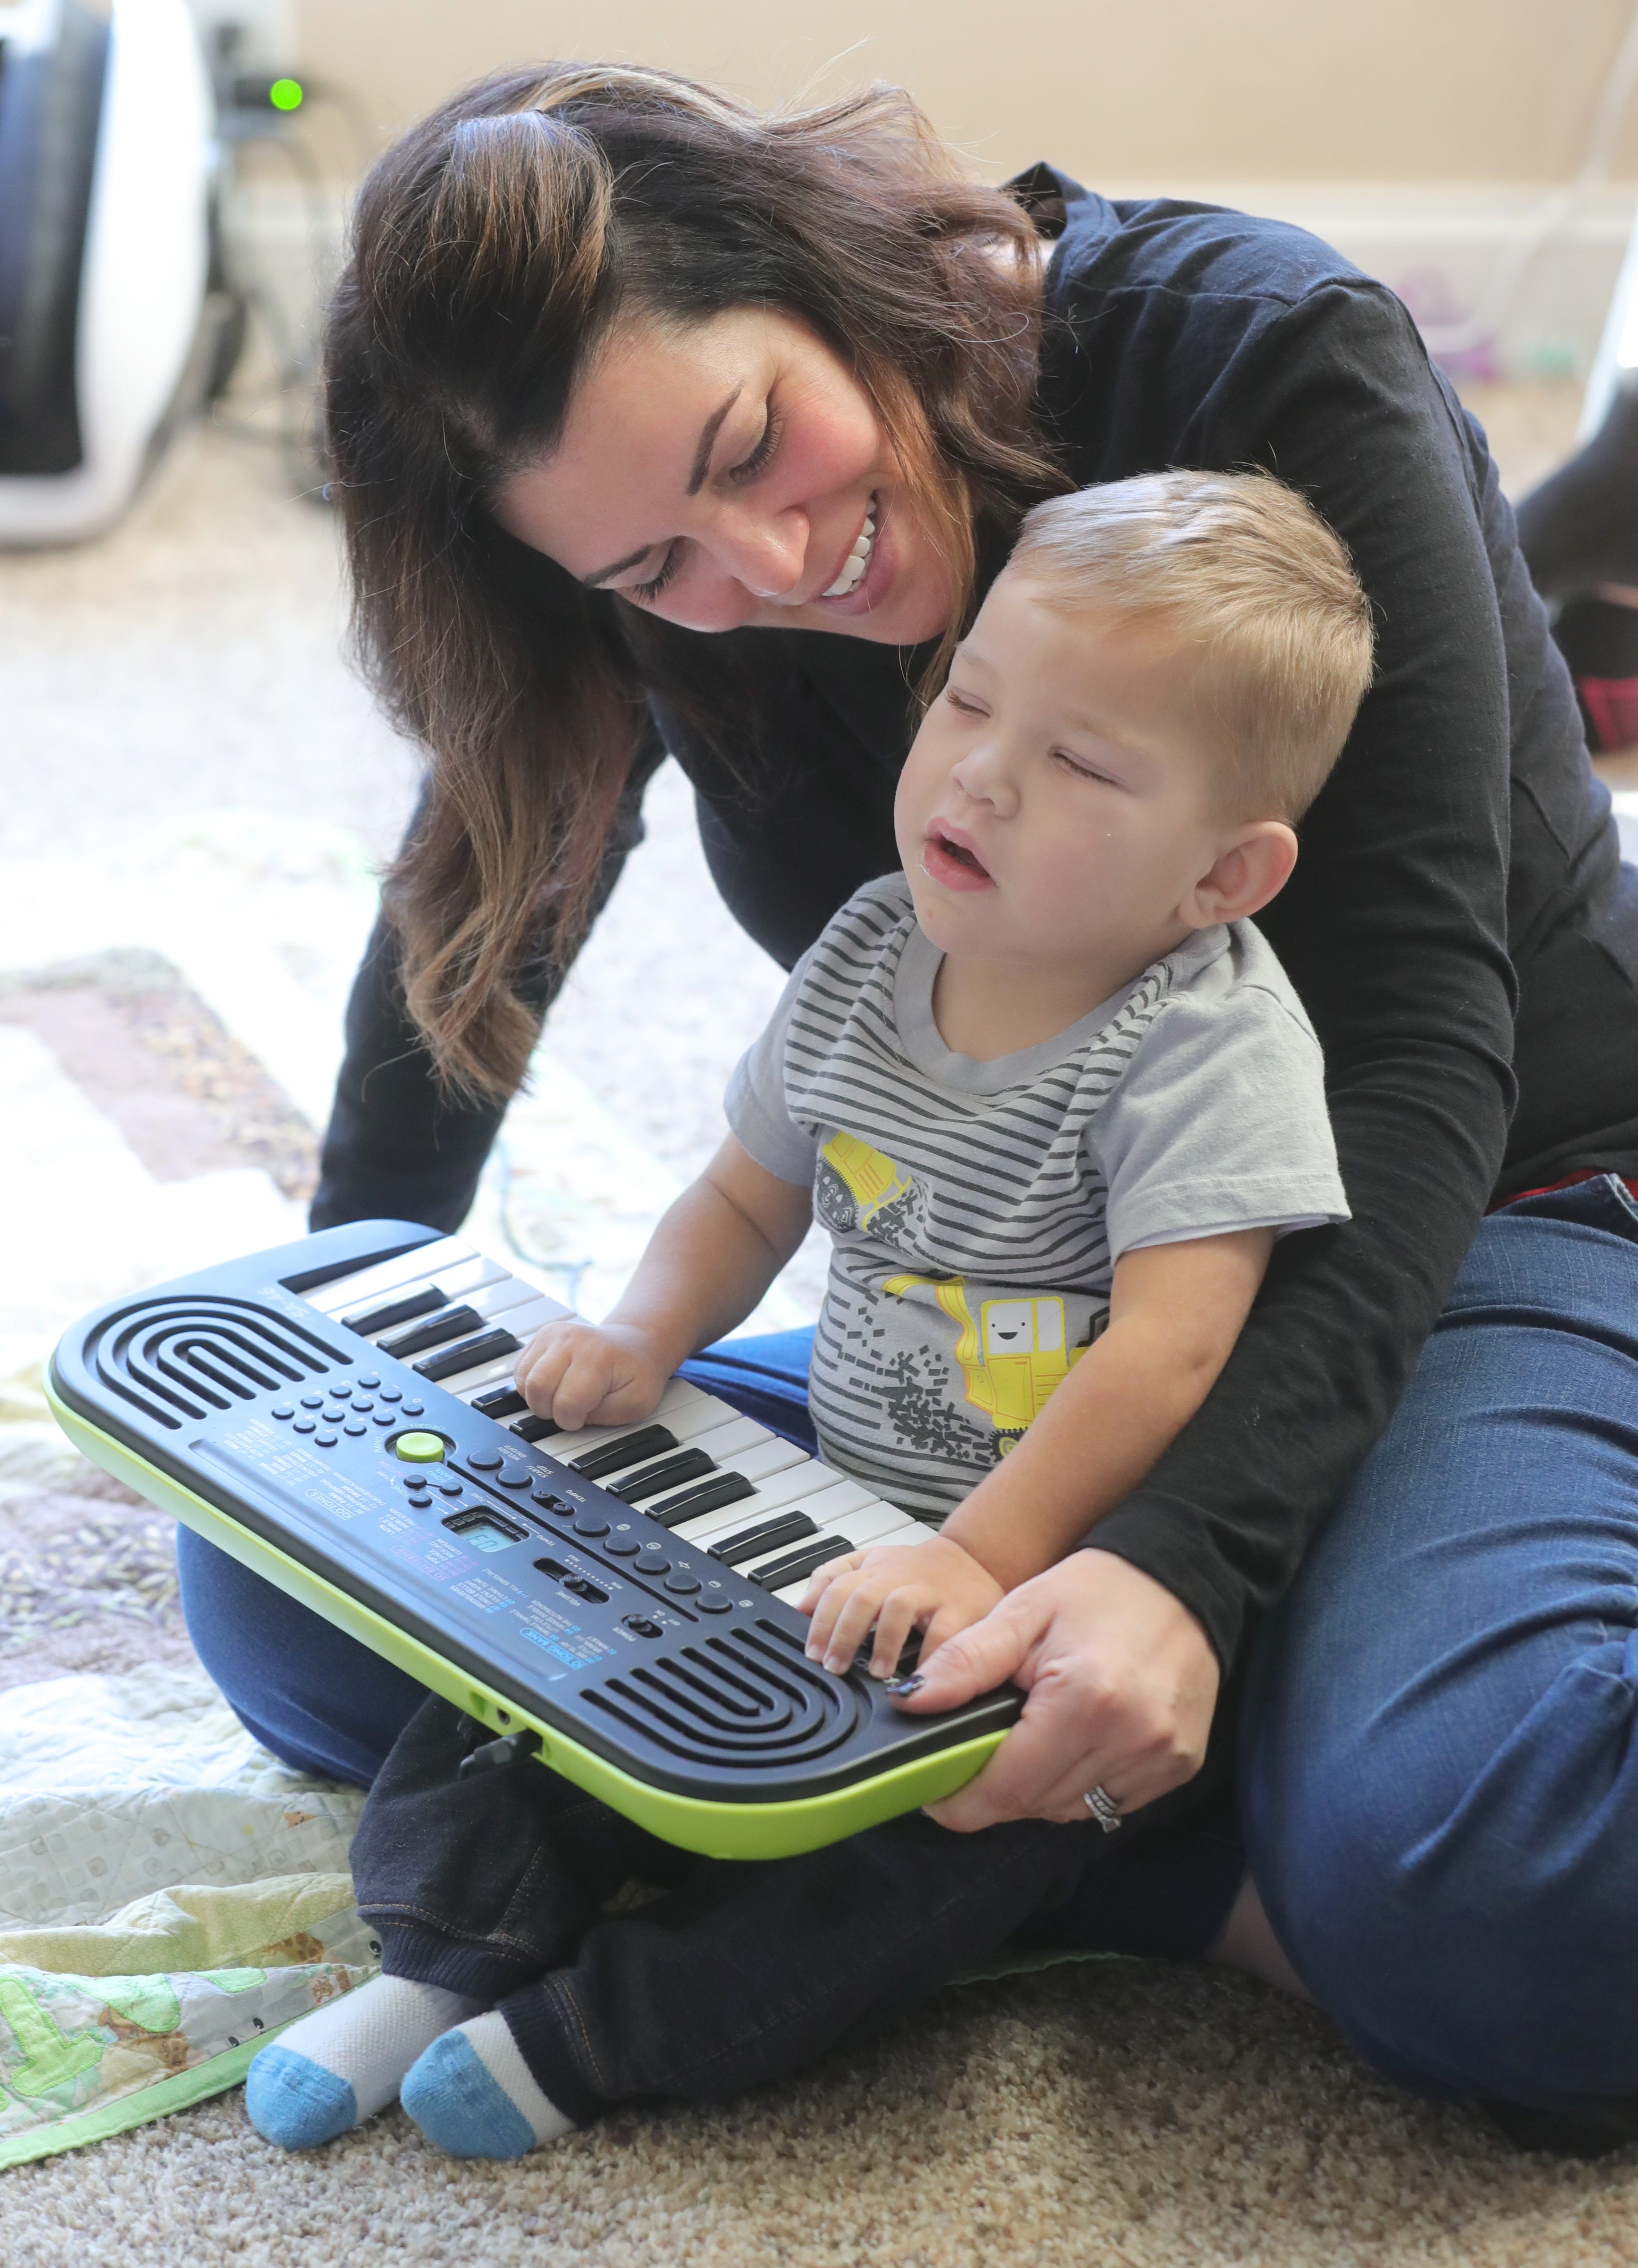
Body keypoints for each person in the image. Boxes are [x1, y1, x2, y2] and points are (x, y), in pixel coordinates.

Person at [172, 64, 1638, 2157]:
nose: (771, 561)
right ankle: (1157, 1803)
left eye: (754, 447)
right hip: (1005, 1321)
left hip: (1488, 1199)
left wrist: (1175, 1559)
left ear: (813, 266)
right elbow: (487, 893)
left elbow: (1415, 1041)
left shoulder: (1257, 348)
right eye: (658, 561)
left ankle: (1178, 1795)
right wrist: (338, 1300)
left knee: (1502, 1894)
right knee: (299, 1581)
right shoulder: (662, 573)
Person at [243, 470, 1364, 2157]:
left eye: (1078, 760)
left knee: (919, 1860)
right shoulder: (865, 943)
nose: (982, 765)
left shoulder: (1208, 1043)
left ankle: (593, 2036)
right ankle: (433, 1956)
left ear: (1228, 872)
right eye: (973, 695)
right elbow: (750, 1192)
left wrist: (980, 1560)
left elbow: (1175, 1346)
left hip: (1041, 1579)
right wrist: (646, 1333)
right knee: (542, 1654)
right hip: (829, 1494)